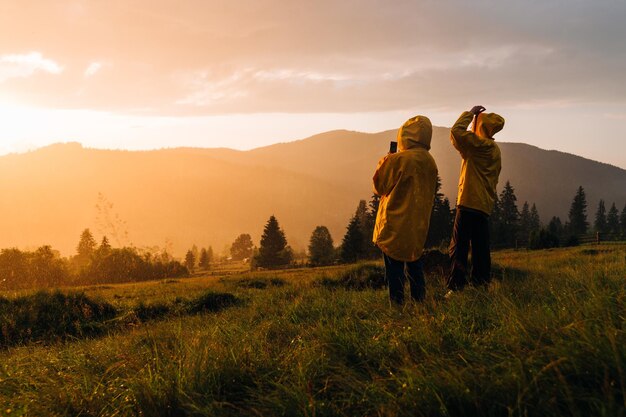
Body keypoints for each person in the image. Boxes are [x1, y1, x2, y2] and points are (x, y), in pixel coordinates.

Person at [372, 115, 438, 305]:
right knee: (414, 262)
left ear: (405, 135)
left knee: (394, 270)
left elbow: (379, 186)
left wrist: (387, 160)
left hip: (394, 223)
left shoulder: (399, 159)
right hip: (417, 224)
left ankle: (397, 306)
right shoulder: (430, 161)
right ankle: (419, 302)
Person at [447, 105, 504, 293]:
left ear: (480, 127)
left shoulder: (478, 146)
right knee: (481, 249)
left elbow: (456, 133)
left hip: (468, 202)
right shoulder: (494, 150)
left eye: (475, 124)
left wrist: (469, 114)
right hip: (484, 206)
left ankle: (456, 288)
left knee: (459, 247)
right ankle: (481, 285)